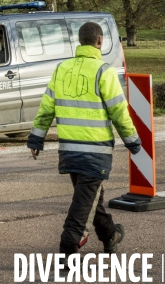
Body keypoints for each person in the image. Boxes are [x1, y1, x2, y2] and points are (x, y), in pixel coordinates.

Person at [27, 22, 141, 256]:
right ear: (99, 41)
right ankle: (68, 247)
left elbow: (47, 107)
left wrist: (36, 139)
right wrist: (133, 142)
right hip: (95, 153)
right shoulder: (103, 71)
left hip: (69, 151)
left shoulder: (61, 69)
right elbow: (119, 112)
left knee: (90, 200)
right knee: (83, 206)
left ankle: (110, 235)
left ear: (80, 41)